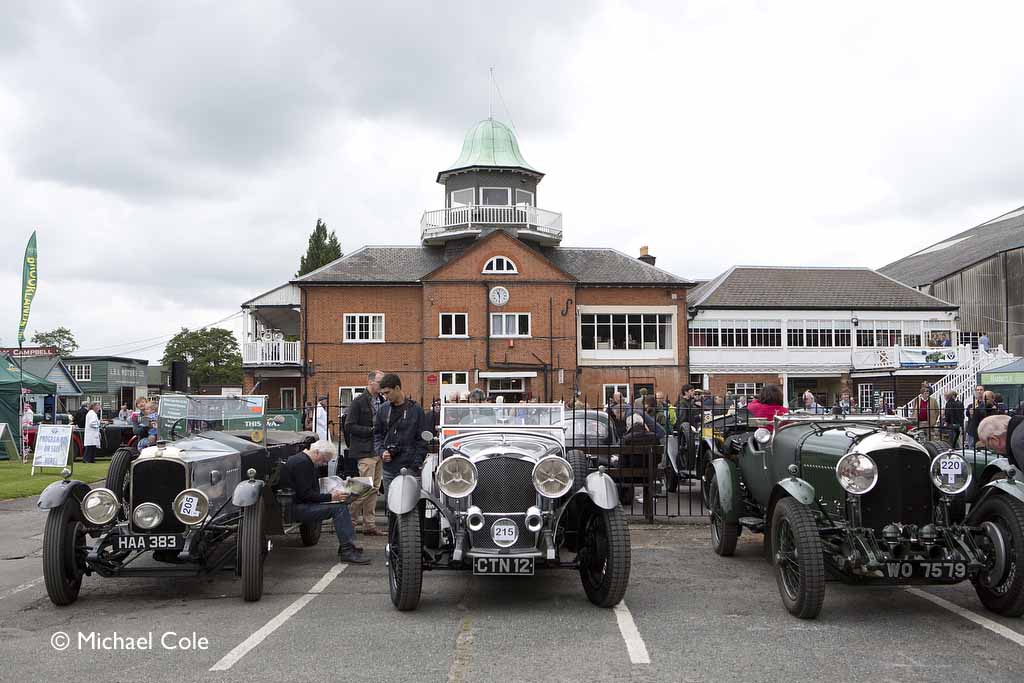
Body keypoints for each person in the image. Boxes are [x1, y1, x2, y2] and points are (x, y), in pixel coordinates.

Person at [282, 440, 369, 564]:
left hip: (298, 505)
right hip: (297, 508)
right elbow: (306, 494)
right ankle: (347, 550)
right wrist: (331, 497)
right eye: (324, 460)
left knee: (340, 505)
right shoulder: (302, 463)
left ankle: (347, 545)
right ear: (317, 452)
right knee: (339, 508)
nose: (323, 464)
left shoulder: (303, 460)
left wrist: (337, 488)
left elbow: (308, 490)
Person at [373, 373, 430, 495]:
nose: (385, 396)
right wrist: (382, 451)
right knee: (391, 507)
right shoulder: (383, 409)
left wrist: (415, 465)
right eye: (383, 393)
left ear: (397, 388)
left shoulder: (416, 410)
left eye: (388, 392)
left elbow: (422, 441)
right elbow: (377, 436)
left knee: (409, 506)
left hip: (409, 467)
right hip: (389, 468)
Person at [344, 371, 384, 536]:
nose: (383, 385)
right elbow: (349, 426)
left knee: (374, 488)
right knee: (362, 488)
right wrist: (371, 431)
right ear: (370, 382)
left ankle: (369, 524)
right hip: (364, 451)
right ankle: (349, 521)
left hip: (378, 450)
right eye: (380, 381)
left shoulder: (381, 400)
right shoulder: (358, 401)